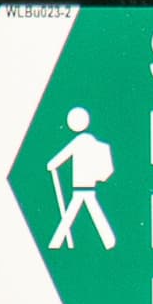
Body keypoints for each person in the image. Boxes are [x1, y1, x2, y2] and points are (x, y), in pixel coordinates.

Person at [46, 105, 117, 249]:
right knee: (87, 212)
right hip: (89, 185)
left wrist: (52, 165)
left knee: (72, 214)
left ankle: (56, 242)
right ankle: (109, 241)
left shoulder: (79, 142)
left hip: (80, 185)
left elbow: (62, 156)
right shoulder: (92, 141)